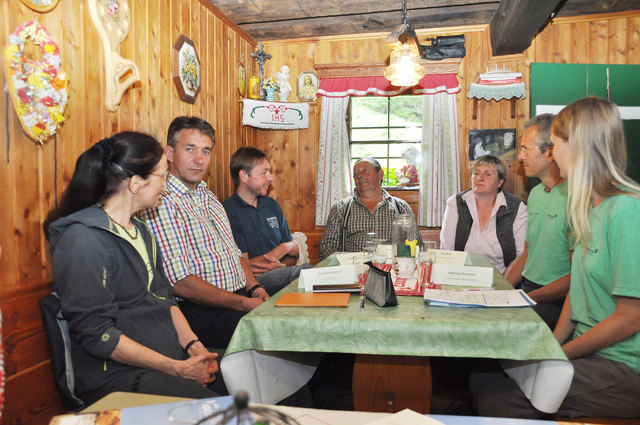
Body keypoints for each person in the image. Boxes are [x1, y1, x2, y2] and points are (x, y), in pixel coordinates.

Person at [472, 97, 640, 419]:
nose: (553, 152)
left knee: (496, 399)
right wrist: (553, 345)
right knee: (482, 379)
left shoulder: (626, 211)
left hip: (621, 366)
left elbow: (631, 316)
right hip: (589, 351)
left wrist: (561, 354)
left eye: (557, 144)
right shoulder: (588, 207)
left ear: (577, 146)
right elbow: (577, 295)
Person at [44, 132, 225, 404]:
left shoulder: (141, 231)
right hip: (118, 378)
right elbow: (97, 334)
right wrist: (175, 368)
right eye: (162, 176)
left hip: (165, 359)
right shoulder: (83, 239)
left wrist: (195, 348)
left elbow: (165, 298)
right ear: (137, 183)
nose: (164, 187)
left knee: (245, 373)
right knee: (221, 410)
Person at [140, 117, 269, 350]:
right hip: (200, 312)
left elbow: (235, 253)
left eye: (206, 151)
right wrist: (243, 303)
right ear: (170, 153)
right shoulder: (162, 200)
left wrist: (256, 288)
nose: (199, 160)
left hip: (238, 298)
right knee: (273, 332)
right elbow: (180, 283)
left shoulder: (207, 196)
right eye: (190, 149)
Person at [504, 114, 571, 328]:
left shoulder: (576, 196)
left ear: (550, 151)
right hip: (529, 289)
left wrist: (527, 298)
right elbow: (527, 254)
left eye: (525, 149)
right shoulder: (536, 194)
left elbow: (577, 276)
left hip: (557, 299)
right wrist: (499, 293)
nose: (520, 157)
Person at [223, 147, 312, 292]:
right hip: (253, 283)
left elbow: (293, 255)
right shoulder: (228, 212)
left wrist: (282, 266)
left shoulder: (271, 205)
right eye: (264, 172)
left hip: (282, 274)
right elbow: (245, 265)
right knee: (310, 273)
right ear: (244, 176)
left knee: (316, 275)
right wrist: (284, 248)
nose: (270, 178)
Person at [319, 157, 421, 260]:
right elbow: (327, 247)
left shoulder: (400, 207)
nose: (359, 175)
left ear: (380, 174)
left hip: (392, 271)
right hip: (354, 272)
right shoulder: (341, 208)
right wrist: (345, 265)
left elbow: (416, 244)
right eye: (355, 174)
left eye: (365, 170)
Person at [440, 155, 527, 274]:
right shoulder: (455, 203)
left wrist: (503, 283)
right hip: (462, 276)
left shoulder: (517, 207)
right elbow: (447, 251)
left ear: (500, 182)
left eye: (488, 174)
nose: (480, 178)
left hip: (502, 278)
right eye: (476, 173)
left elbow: (521, 256)